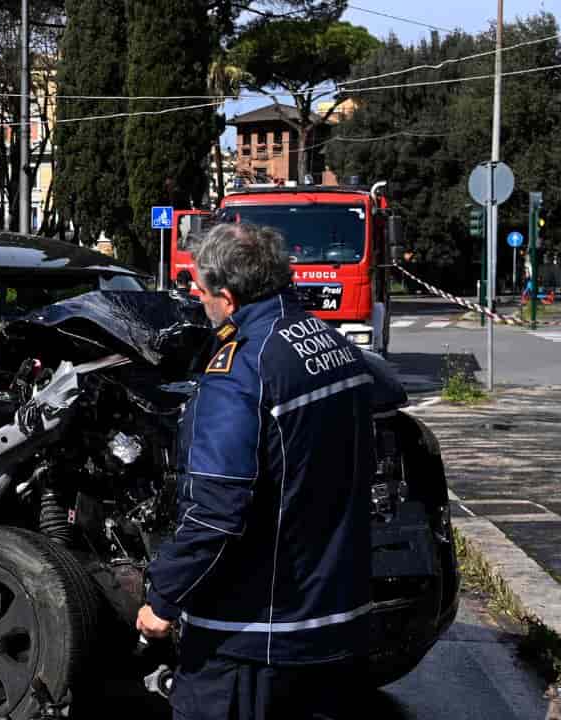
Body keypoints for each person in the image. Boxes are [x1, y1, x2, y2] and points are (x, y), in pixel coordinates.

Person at [136, 222, 375, 720]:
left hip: (250, 639)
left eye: (200, 292)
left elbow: (215, 515)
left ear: (227, 297)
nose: (198, 300)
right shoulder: (335, 346)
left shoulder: (240, 372)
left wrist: (164, 598)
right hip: (334, 621)